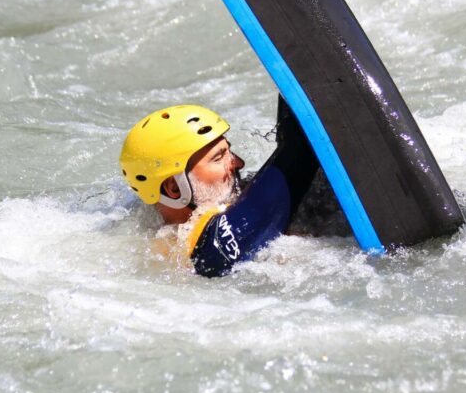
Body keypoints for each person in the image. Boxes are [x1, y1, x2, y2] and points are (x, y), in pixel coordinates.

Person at [119, 97, 318, 277]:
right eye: (218, 158)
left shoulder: (146, 216)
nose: (239, 163)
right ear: (175, 189)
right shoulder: (194, 250)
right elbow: (303, 145)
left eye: (229, 151)